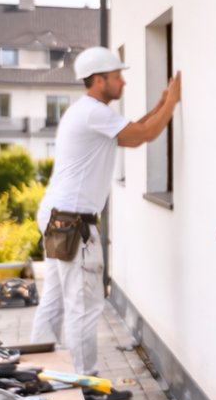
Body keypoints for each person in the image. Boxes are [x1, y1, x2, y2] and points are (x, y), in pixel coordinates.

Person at [30, 46, 181, 376]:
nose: (123, 83)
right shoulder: (93, 112)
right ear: (99, 80)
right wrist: (173, 101)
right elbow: (143, 135)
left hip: (58, 214)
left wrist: (160, 104)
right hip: (73, 222)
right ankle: (86, 383)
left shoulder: (87, 112)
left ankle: (38, 370)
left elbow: (130, 132)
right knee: (83, 304)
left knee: (55, 298)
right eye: (117, 77)